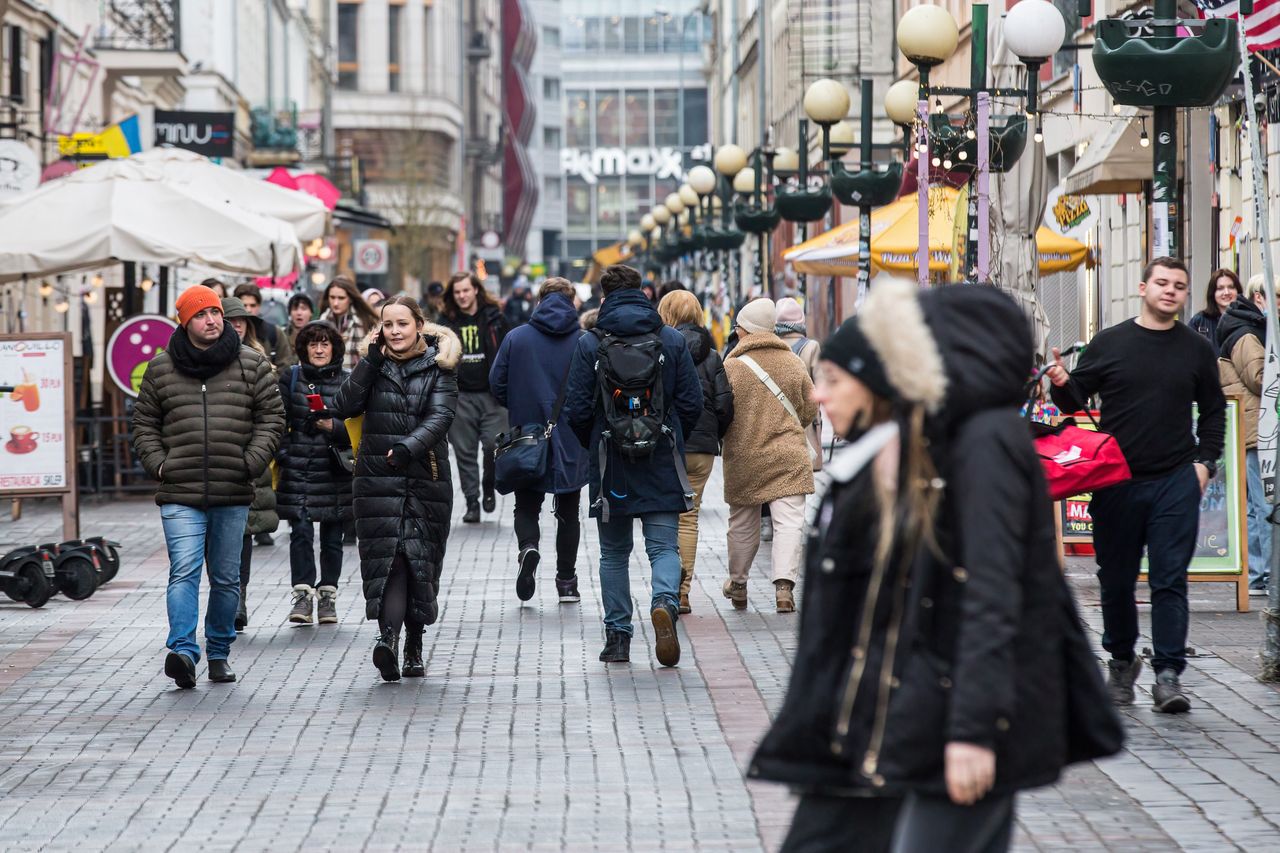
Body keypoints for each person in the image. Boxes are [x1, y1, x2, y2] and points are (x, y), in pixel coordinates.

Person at [876, 282, 1123, 853]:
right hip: (950, 705)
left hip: (973, 713)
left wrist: (972, 731)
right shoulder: (961, 432)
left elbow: (990, 593)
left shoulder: (986, 441)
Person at [748, 279, 951, 853]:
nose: (816, 396)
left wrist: (966, 733)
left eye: (832, 381)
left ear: (877, 386)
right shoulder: (860, 474)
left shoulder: (912, 477)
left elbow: (957, 613)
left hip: (886, 730)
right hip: (851, 725)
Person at [1049, 257, 1226, 713]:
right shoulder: (1110, 343)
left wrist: (1204, 464)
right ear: (1143, 287)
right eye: (1162, 283)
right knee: (1116, 579)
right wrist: (1061, 382)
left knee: (1170, 579)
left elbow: (1213, 412)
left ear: (1187, 294)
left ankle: (1168, 674)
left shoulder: (1196, 348)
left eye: (1179, 286)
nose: (1170, 291)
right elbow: (1074, 399)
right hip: (1116, 480)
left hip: (1175, 480)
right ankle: (1122, 661)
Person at [132, 284, 285, 688]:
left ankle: (219, 652)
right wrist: (159, 465)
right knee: (183, 572)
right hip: (179, 490)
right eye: (201, 314)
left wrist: (250, 463)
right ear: (186, 321)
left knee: (226, 578)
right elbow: (144, 423)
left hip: (232, 490)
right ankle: (182, 650)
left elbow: (272, 419)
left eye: (215, 312)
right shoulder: (162, 368)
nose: (212, 320)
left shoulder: (250, 364)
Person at [562, 264, 703, 666]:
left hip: (611, 463)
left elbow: (575, 408)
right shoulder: (670, 338)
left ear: (603, 299)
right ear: (643, 292)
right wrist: (670, 434)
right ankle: (664, 602)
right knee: (662, 547)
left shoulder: (591, 343)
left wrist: (597, 441)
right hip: (660, 456)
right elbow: (692, 403)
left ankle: (618, 637)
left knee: (613, 553)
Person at [333, 296, 460, 681]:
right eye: (388, 325)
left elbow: (441, 415)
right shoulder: (372, 363)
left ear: (419, 326)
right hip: (377, 478)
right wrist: (370, 361)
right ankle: (387, 640)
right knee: (388, 561)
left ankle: (414, 645)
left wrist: (409, 447)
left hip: (426, 477)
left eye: (402, 324)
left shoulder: (441, 365)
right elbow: (344, 405)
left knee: (416, 561)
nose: (396, 332)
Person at [489, 277, 590, 603]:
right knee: (569, 511)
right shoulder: (584, 340)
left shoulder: (517, 338)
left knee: (527, 504)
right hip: (573, 437)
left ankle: (528, 547)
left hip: (529, 435)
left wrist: (519, 405)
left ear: (539, 300)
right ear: (572, 300)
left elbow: (496, 382)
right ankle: (566, 581)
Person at [720, 298, 818, 613]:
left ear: (746, 330)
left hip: (745, 456)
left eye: (738, 328)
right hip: (789, 454)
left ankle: (738, 583)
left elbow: (722, 410)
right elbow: (809, 408)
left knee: (742, 522)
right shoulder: (793, 362)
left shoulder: (732, 366)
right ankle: (784, 588)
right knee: (789, 522)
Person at [658, 290, 733, 614]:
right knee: (689, 517)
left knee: (664, 518)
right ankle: (683, 592)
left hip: (666, 443)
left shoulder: (659, 348)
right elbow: (724, 403)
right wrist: (714, 434)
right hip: (701, 446)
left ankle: (667, 588)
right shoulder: (712, 354)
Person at [276, 320, 354, 625]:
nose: (319, 350)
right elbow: (276, 419)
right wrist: (283, 453)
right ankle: (303, 594)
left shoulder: (349, 381)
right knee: (301, 533)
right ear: (303, 349)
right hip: (299, 468)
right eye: (313, 344)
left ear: (334, 348)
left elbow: (357, 428)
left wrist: (330, 426)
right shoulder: (291, 378)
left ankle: (328, 596)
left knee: (333, 537)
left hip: (334, 469)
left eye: (325, 344)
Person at [220, 297, 281, 626]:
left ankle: (238, 597)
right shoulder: (208, 359)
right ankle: (226, 595)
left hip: (248, 462)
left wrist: (257, 454)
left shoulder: (259, 361)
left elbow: (272, 414)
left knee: (243, 534)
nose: (238, 324)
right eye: (232, 319)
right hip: (215, 459)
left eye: (243, 320)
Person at [1217, 275, 1272, 595]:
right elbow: (1262, 378)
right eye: (1275, 296)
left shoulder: (1243, 327)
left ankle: (1259, 575)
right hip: (1259, 429)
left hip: (1253, 428)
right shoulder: (1247, 333)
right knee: (1266, 504)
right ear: (1258, 297)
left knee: (1257, 506)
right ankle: (1267, 575)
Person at [441, 271, 510, 523]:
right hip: (460, 396)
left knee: (494, 446)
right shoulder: (446, 322)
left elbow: (508, 351)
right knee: (464, 451)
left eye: (465, 290)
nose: (461, 296)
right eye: (457, 292)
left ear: (476, 290)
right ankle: (472, 502)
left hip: (492, 395)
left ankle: (488, 484)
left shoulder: (495, 318)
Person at [774, 297, 823, 472]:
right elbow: (821, 385)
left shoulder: (773, 346)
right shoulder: (811, 347)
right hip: (806, 419)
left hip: (779, 417)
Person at [319, 276, 380, 371]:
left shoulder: (365, 320)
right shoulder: (322, 322)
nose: (335, 303)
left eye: (341, 298)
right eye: (332, 297)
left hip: (358, 378)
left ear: (350, 299)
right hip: (327, 377)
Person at [234, 283, 293, 370]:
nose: (248, 310)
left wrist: (267, 381)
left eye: (252, 305)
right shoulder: (227, 331)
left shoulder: (274, 332)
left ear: (259, 306)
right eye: (244, 305)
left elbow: (284, 367)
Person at [1189, 268, 1242, 344]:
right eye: (1220, 288)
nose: (1226, 292)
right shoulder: (1199, 322)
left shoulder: (1246, 321)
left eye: (1231, 287)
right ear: (1212, 293)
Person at [286, 293, 315, 358]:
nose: (299, 313)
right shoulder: (283, 336)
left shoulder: (317, 336)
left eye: (303, 308)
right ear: (290, 313)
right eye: (295, 309)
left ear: (311, 313)